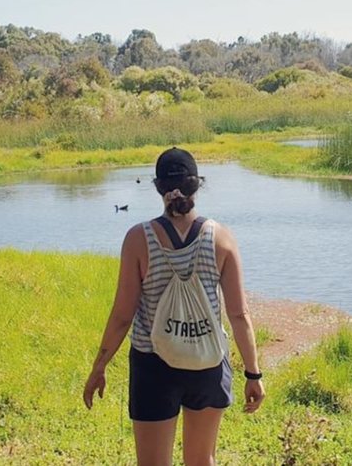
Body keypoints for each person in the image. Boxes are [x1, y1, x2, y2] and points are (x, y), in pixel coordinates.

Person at [83, 147, 265, 466]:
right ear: (197, 185)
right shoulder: (221, 238)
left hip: (152, 365)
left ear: (158, 187)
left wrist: (99, 366)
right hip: (207, 361)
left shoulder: (138, 239)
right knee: (201, 460)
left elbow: (123, 315)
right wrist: (253, 373)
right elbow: (239, 315)